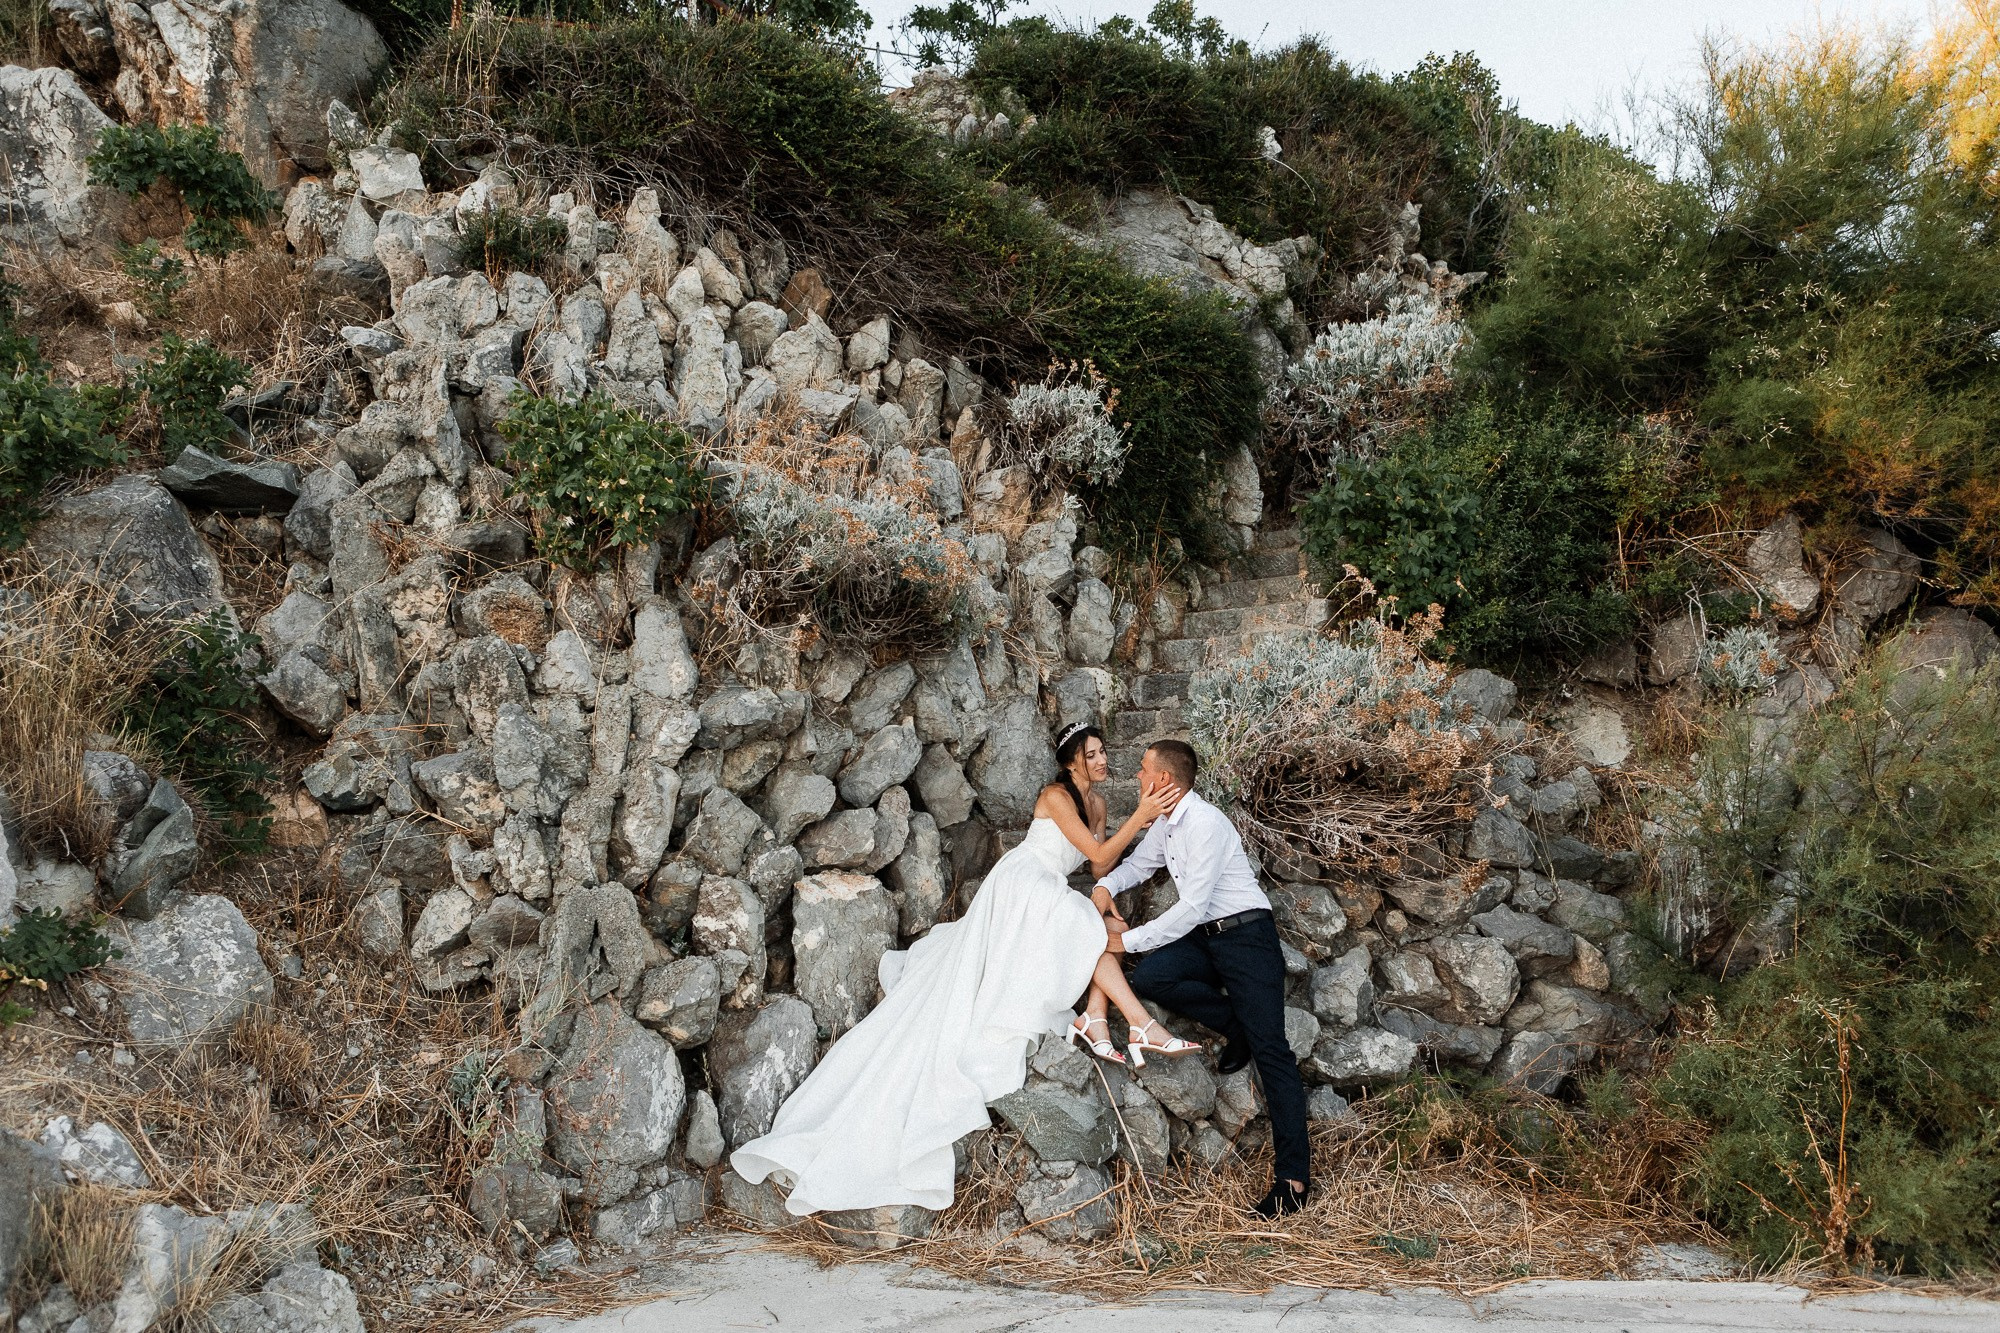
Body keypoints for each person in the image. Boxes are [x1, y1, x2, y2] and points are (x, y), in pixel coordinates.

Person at [729, 721, 1196, 1216]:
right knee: (1087, 925)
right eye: (1095, 753)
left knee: (1092, 920)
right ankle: (1131, 1023)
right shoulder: (1055, 795)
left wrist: (1126, 843)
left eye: (1105, 752)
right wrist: (1142, 814)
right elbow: (1101, 853)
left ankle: (1105, 1019)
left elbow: (1100, 867)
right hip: (1021, 882)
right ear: (1072, 760)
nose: (1104, 761)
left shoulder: (1098, 804)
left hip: (1050, 889)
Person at [1093, 739, 1312, 1219]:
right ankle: (1237, 1026)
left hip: (1247, 936)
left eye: (1143, 769)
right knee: (1152, 977)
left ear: (1164, 780)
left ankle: (1293, 1181)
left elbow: (1191, 905)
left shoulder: (1206, 823)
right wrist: (1105, 885)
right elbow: (1139, 865)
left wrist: (1124, 942)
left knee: (1272, 1051)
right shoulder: (1167, 823)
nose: (1137, 777)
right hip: (1206, 940)